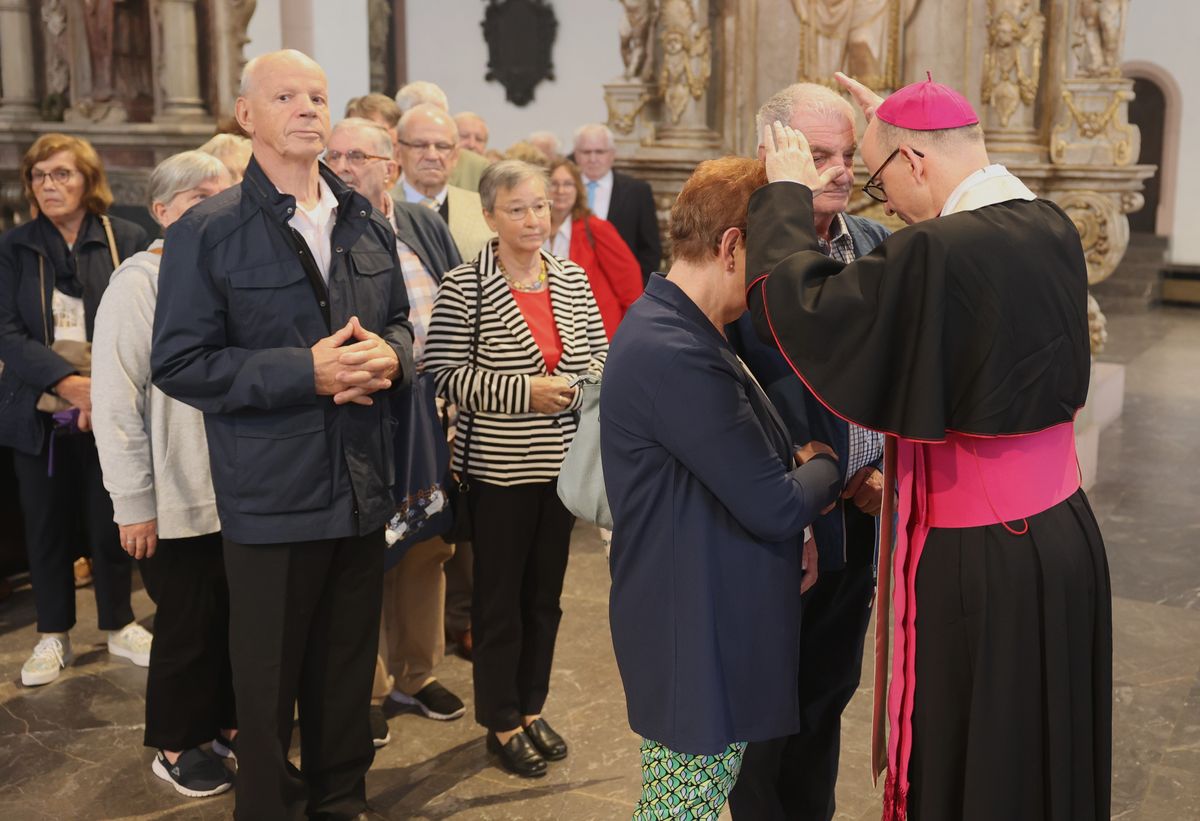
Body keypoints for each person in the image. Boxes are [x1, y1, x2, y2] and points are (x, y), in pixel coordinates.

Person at [746, 74, 1110, 821]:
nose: (884, 204)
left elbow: (810, 309)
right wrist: (893, 130)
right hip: (1061, 531)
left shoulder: (937, 249)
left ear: (913, 162)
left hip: (982, 553)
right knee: (1043, 736)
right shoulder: (1048, 224)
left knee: (980, 748)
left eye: (879, 180)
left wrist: (783, 195)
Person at [150, 50, 414, 820]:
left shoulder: (365, 218)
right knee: (265, 693)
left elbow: (403, 324)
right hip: (272, 498)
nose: (307, 108)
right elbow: (182, 362)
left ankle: (341, 801)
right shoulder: (209, 230)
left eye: (318, 96)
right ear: (247, 116)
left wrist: (393, 356)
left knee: (344, 681)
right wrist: (307, 373)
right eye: (286, 96)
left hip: (361, 489)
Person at [600, 155, 842, 819]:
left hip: (704, 612)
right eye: (770, 259)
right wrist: (827, 463)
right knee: (681, 810)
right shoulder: (675, 349)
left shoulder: (685, 325)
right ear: (732, 245)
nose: (772, 283)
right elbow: (774, 503)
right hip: (691, 628)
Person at [727, 83, 888, 821]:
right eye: (819, 154)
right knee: (765, 711)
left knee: (828, 694)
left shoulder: (874, 243)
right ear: (773, 154)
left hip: (860, 513)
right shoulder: (740, 249)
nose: (842, 170)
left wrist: (883, 462)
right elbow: (721, 386)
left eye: (848, 154)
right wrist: (791, 456)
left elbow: (895, 368)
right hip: (778, 520)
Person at [424, 160, 608, 779]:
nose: (534, 219)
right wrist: (524, 392)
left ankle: (532, 708)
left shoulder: (571, 277)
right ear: (489, 216)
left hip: (562, 467)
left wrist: (577, 389)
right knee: (499, 603)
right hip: (500, 471)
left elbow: (599, 357)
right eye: (517, 209)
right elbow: (443, 374)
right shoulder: (465, 285)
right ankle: (500, 720)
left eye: (540, 206)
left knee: (545, 600)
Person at [91, 149, 236, 798]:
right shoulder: (137, 283)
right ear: (161, 210)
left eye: (223, 197)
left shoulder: (223, 270)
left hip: (233, 488)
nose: (214, 209)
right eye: (199, 198)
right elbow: (115, 402)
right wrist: (133, 503)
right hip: (174, 493)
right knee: (187, 626)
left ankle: (227, 723)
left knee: (232, 619)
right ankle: (176, 744)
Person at [324, 118, 467, 741]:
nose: (343, 165)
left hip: (432, 412)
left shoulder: (420, 223)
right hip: (365, 411)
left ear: (389, 167)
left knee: (427, 544)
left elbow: (460, 301)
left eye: (357, 155)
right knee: (368, 552)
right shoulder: (325, 229)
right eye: (335, 155)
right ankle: (370, 687)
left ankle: (416, 673)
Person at [0, 133, 152, 688]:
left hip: (112, 404)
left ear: (88, 180)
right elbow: (7, 332)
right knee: (45, 523)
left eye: (61, 174)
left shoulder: (125, 238)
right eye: (39, 176)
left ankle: (119, 623)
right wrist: (68, 385)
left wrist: (99, 392)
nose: (49, 185)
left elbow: (141, 323)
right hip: (36, 408)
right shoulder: (14, 246)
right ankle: (53, 633)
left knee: (110, 517)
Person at [546, 157, 644, 339]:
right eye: (554, 184)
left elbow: (629, 283)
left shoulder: (596, 228)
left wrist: (628, 333)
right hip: (551, 330)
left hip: (595, 332)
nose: (560, 191)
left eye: (568, 184)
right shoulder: (535, 230)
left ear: (578, 189)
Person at [395, 103, 495, 262]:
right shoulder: (379, 209)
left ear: (455, 156)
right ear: (398, 153)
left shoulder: (485, 210)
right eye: (420, 145)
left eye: (442, 146)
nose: (432, 156)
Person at [572, 123, 661, 282]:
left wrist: (640, 289)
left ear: (612, 154)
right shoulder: (563, 189)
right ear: (576, 155)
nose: (593, 159)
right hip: (572, 284)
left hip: (623, 286)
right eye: (586, 152)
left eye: (600, 152)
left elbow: (650, 250)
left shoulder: (637, 192)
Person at [396, 81, 489, 191]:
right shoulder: (384, 160)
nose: (432, 155)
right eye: (419, 145)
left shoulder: (476, 168)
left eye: (438, 119)